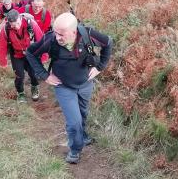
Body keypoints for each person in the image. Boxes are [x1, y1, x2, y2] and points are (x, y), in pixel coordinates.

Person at [26, 13, 113, 164]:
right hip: (64, 87)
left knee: (82, 114)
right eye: (55, 32)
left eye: (61, 34)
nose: (57, 36)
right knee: (73, 122)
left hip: (85, 85)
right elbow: (31, 53)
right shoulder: (50, 39)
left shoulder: (87, 35)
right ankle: (75, 149)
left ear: (74, 32)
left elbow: (108, 43)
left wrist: (100, 67)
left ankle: (83, 135)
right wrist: (45, 75)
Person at [0, 10, 44, 102]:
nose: (16, 27)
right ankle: (20, 93)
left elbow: (41, 39)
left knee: (33, 73)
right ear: (9, 23)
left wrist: (44, 55)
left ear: (20, 18)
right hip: (16, 55)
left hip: (31, 54)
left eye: (17, 23)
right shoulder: (6, 29)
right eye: (13, 25)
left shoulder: (31, 24)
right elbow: (2, 46)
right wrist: (3, 62)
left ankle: (34, 87)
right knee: (19, 76)